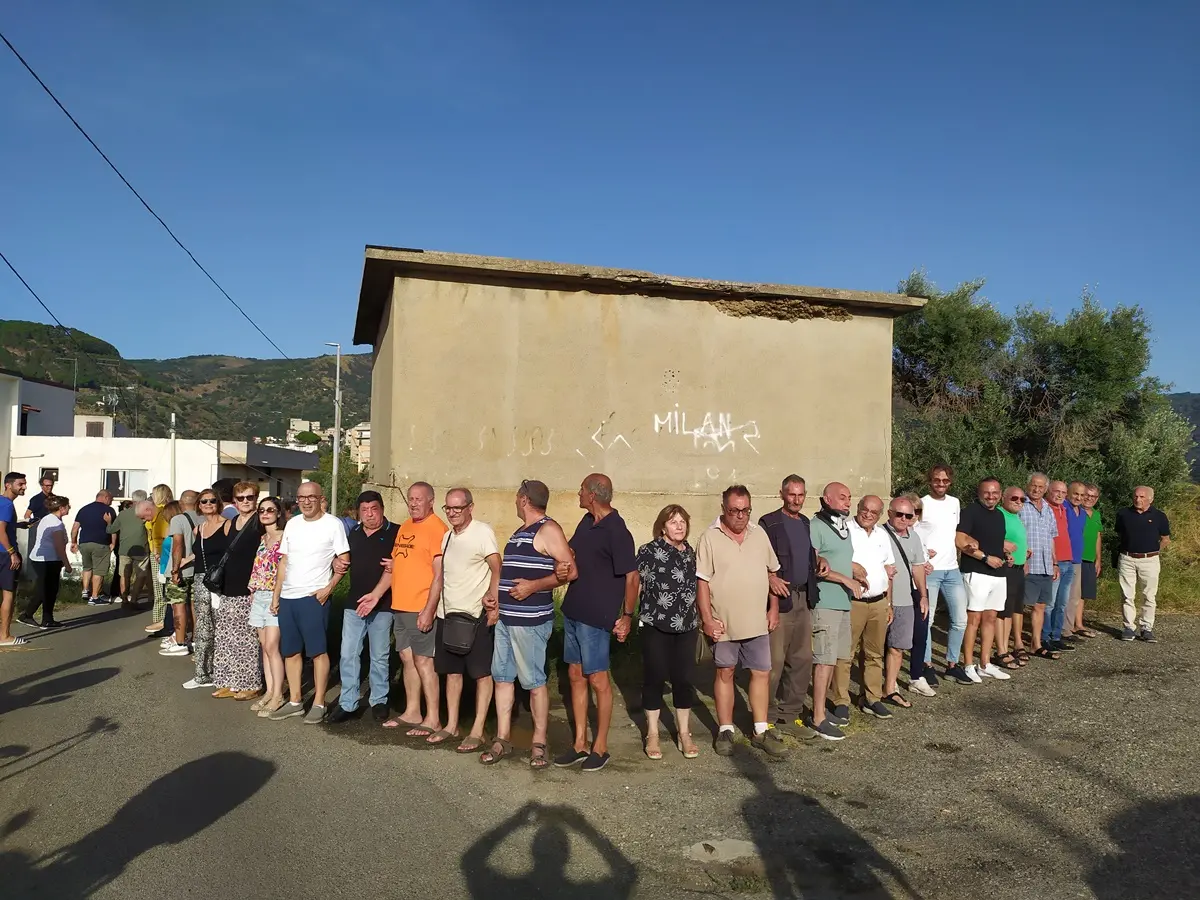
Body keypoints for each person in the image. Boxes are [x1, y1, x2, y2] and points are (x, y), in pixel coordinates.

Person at [480, 479, 575, 768]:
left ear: (524, 500)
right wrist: (494, 596)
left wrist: (534, 586)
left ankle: (539, 743)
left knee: (534, 682)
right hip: (507, 618)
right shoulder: (521, 531)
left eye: (516, 497)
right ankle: (502, 737)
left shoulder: (548, 529)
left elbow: (571, 571)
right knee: (503, 678)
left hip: (530, 621)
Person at [696, 485, 786, 758]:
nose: (740, 516)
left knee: (761, 673)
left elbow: (773, 574)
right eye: (734, 511)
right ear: (723, 509)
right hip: (723, 622)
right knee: (725, 672)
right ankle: (725, 729)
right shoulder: (709, 538)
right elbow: (702, 582)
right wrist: (707, 619)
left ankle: (760, 730)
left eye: (745, 510)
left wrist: (773, 609)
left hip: (756, 622)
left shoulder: (760, 535)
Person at [555, 474, 637, 772]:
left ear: (592, 495)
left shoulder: (617, 530)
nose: (577, 493)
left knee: (598, 680)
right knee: (576, 676)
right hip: (574, 612)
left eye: (580, 489)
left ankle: (600, 747)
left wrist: (626, 617)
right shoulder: (587, 523)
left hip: (597, 618)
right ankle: (580, 743)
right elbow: (572, 552)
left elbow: (632, 576)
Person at [419, 487, 501, 752]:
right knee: (452, 673)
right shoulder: (446, 537)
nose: (453, 513)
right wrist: (432, 609)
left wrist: (493, 602)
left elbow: (497, 567)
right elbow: (441, 576)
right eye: (449, 508)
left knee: (481, 673)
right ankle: (451, 724)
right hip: (448, 615)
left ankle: (477, 729)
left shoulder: (482, 532)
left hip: (475, 616)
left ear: (470, 508)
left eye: (458, 508)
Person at [268, 482, 349, 722]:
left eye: (311, 497)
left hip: (313, 598)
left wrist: (329, 588)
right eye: (301, 497)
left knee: (317, 651)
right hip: (288, 597)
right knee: (291, 651)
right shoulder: (292, 524)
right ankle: (294, 701)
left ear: (320, 498)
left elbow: (344, 560)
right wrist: (276, 594)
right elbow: (284, 562)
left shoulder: (333, 525)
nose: (305, 502)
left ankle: (319, 702)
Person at [632, 504, 700, 760]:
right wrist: (627, 616)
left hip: (687, 626)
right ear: (663, 526)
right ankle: (652, 733)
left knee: (684, 679)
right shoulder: (648, 552)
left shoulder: (690, 553)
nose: (679, 526)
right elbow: (634, 584)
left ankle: (684, 733)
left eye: (683, 521)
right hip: (655, 624)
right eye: (673, 522)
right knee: (655, 677)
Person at [326, 491, 400, 725]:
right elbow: (338, 558)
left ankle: (379, 701)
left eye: (374, 509)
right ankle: (348, 702)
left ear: (382, 509)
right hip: (354, 603)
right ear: (359, 512)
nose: (370, 515)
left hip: (383, 604)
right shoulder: (353, 533)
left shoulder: (396, 533)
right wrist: (334, 562)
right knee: (348, 654)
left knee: (379, 656)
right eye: (365, 510)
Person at [381, 482, 448, 735]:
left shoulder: (437, 529)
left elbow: (439, 574)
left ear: (431, 501)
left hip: (420, 606)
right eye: (411, 498)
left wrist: (429, 609)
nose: (414, 503)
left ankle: (433, 718)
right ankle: (412, 711)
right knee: (407, 658)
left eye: (419, 499)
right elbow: (405, 560)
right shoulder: (407, 526)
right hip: (401, 604)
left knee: (424, 661)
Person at [758, 475, 820, 738]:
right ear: (782, 494)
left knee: (802, 659)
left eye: (801, 495)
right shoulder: (768, 523)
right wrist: (770, 577)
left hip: (804, 598)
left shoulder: (806, 522)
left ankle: (790, 716)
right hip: (779, 600)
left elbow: (807, 553)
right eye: (792, 494)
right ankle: (768, 717)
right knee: (774, 661)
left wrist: (820, 559)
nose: (797, 500)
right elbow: (758, 556)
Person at [808, 482, 863, 740]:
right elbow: (817, 565)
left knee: (834, 660)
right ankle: (817, 717)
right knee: (823, 660)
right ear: (827, 499)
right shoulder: (816, 526)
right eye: (842, 497)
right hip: (825, 602)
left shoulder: (843, 528)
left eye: (849, 497)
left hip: (843, 602)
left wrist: (856, 571)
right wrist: (846, 579)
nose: (847, 502)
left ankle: (822, 708)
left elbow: (836, 558)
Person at [836, 496, 896, 719]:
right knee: (845, 653)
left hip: (878, 602)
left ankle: (872, 698)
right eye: (865, 509)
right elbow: (829, 558)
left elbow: (889, 569)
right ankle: (840, 700)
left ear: (880, 515)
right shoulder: (845, 530)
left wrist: (889, 603)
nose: (868, 514)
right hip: (853, 602)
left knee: (874, 654)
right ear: (857, 508)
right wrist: (849, 566)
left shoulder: (882, 534)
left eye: (874, 512)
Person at [955, 477, 1013, 683]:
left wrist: (1004, 556)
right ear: (979, 493)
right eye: (987, 492)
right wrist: (986, 558)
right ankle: (968, 664)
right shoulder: (970, 511)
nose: (991, 496)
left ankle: (985, 663)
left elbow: (994, 542)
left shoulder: (999, 515)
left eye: (995, 492)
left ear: (1000, 493)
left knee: (990, 618)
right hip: (976, 572)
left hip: (998, 574)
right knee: (974, 620)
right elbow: (960, 541)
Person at [210, 482, 264, 701]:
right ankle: (229, 681)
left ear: (256, 498)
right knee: (226, 637)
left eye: (249, 498)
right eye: (240, 498)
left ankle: (250, 683)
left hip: (248, 588)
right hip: (228, 587)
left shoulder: (259, 522)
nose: (245, 502)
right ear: (234, 500)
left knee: (246, 639)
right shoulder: (231, 523)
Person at [921, 465, 969, 684]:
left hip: (952, 569)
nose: (940, 484)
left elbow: (955, 533)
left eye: (945, 481)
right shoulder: (922, 503)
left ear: (950, 482)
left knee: (960, 619)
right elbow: (912, 531)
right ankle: (926, 664)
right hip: (929, 570)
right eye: (936, 480)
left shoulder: (955, 503)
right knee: (927, 620)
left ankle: (952, 664)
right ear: (930, 481)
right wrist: (922, 555)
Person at [882, 495, 929, 705]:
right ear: (889, 513)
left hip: (904, 600)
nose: (903, 519)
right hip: (879, 599)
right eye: (898, 514)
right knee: (872, 648)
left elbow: (918, 567)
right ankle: (870, 690)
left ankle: (890, 688)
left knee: (898, 647)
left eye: (908, 515)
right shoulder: (878, 533)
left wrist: (923, 596)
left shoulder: (914, 537)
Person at [183, 489, 228, 689]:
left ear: (218, 503)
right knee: (203, 626)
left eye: (211, 500)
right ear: (199, 506)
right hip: (201, 580)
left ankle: (222, 672)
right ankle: (202, 673)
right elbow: (200, 554)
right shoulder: (198, 529)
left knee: (223, 626)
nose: (208, 504)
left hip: (222, 581)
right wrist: (184, 561)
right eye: (203, 501)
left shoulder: (227, 526)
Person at [1116, 486, 1171, 643]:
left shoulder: (1159, 516)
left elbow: (1165, 538)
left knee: (1149, 595)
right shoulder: (1123, 514)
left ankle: (1147, 628)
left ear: (1150, 499)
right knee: (1127, 594)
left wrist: (1154, 551)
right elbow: (1120, 533)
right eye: (1135, 496)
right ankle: (1128, 627)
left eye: (1141, 497)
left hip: (1150, 560)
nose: (1138, 500)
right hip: (1127, 558)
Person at [248, 497, 286, 715]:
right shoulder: (262, 538)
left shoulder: (285, 537)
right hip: (259, 595)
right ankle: (270, 691)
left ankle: (278, 694)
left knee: (272, 645)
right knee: (264, 646)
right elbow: (258, 568)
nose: (265, 513)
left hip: (275, 595)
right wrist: (252, 589)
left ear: (279, 513)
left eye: (270, 510)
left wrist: (277, 597)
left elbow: (286, 567)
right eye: (262, 510)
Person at [1019, 473, 1061, 661]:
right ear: (1028, 485)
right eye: (1034, 485)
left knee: (1040, 606)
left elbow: (1051, 537)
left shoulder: (1048, 509)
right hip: (1028, 564)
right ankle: (1017, 644)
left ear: (1046, 489)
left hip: (1045, 565)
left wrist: (1054, 562)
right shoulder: (1021, 505)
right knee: (1020, 606)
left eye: (1041, 487)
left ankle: (1036, 644)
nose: (1037, 489)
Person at [17, 494, 72, 629]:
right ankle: (27, 615)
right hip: (48, 560)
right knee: (45, 590)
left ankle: (47, 619)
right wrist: (67, 564)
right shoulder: (56, 523)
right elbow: (59, 546)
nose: (69, 508)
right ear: (61, 508)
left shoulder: (48, 519)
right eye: (67, 506)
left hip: (43, 558)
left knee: (50, 589)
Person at [160, 491, 200, 656]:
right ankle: (196, 640)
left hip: (181, 570)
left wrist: (176, 569)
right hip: (198, 570)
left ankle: (180, 641)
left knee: (178, 606)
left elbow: (178, 545)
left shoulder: (178, 519)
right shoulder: (204, 519)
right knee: (194, 607)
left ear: (181, 504)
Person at [995, 486, 1029, 670]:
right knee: (1003, 611)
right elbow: (988, 537)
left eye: (1023, 499)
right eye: (1014, 498)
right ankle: (1001, 650)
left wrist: (1025, 555)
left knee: (1014, 609)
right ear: (1003, 498)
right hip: (1005, 568)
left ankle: (1008, 647)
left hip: (1018, 569)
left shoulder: (1016, 517)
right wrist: (1002, 545)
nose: (1018, 502)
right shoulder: (999, 514)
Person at [907, 493, 938, 694]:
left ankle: (917, 675)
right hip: (901, 586)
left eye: (917, 512)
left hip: (920, 586)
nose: (912, 517)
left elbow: (924, 555)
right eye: (910, 512)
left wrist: (927, 563)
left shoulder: (924, 531)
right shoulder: (888, 532)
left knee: (921, 630)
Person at [1044, 480, 1077, 654]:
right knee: (1049, 603)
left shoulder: (1063, 508)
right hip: (1054, 562)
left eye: (1063, 493)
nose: (1060, 495)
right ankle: (1045, 638)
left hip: (1068, 561)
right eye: (1056, 491)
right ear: (1048, 491)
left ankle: (1056, 637)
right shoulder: (1045, 509)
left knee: (1061, 603)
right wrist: (1052, 561)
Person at [71, 490, 115, 605]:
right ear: (105, 497)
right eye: (111, 499)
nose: (111, 502)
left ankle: (85, 590)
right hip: (101, 543)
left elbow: (75, 528)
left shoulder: (84, 509)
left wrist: (74, 542)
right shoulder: (109, 511)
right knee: (99, 570)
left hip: (84, 543)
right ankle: (95, 597)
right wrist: (113, 543)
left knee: (87, 567)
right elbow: (114, 529)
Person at [107, 498, 152, 610]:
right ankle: (134, 599)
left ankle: (124, 598)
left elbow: (111, 529)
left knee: (124, 575)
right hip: (142, 548)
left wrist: (108, 522)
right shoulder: (147, 513)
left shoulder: (123, 514)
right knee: (141, 574)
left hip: (125, 549)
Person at [1059, 481, 1089, 644]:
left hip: (1077, 559)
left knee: (1074, 597)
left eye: (1082, 495)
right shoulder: (1063, 507)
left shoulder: (1082, 513)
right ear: (1068, 493)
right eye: (1075, 493)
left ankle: (1067, 629)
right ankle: (1057, 630)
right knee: (1060, 597)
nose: (1078, 497)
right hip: (1063, 558)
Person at [0, 473, 28, 646]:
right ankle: (5, 636)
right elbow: (0, 531)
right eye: (21, 484)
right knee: (8, 594)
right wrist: (12, 552)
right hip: (5, 555)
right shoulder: (7, 505)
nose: (24, 487)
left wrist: (18, 525)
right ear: (8, 485)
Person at [144, 484, 175, 635]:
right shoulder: (165, 511)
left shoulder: (159, 511)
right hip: (161, 552)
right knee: (163, 590)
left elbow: (157, 535)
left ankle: (160, 621)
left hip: (158, 552)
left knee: (160, 590)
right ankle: (163, 622)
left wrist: (156, 552)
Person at [1077, 483, 1103, 638]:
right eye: (1087, 495)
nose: (1089, 498)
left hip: (1089, 558)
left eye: (1093, 496)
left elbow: (1098, 537)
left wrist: (1098, 559)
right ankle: (1067, 625)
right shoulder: (1076, 512)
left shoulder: (1096, 514)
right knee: (1072, 594)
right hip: (1076, 557)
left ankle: (1078, 624)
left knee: (1082, 594)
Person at [22, 473, 55, 575]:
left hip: (52, 530)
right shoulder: (36, 499)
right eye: (47, 486)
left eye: (51, 485)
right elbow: (27, 515)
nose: (49, 487)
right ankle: (33, 577)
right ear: (42, 486)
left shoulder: (54, 498)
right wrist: (34, 524)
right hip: (38, 530)